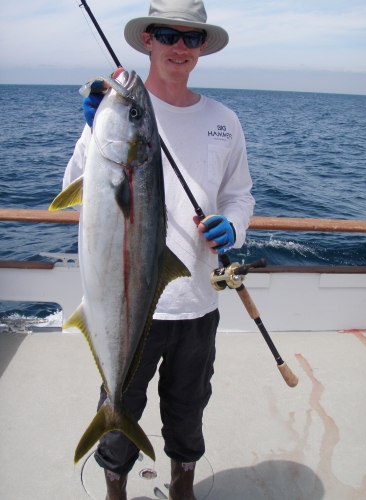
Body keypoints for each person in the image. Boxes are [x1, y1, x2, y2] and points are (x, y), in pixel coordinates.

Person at [63, 0, 255, 498]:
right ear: (147, 39)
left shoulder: (224, 120)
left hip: (197, 301)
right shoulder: (114, 116)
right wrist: (94, 127)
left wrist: (232, 226)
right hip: (123, 307)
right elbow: (73, 190)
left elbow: (240, 194)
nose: (179, 47)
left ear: (202, 49)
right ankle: (114, 486)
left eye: (191, 39)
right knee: (120, 397)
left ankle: (183, 485)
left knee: (188, 407)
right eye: (167, 35)